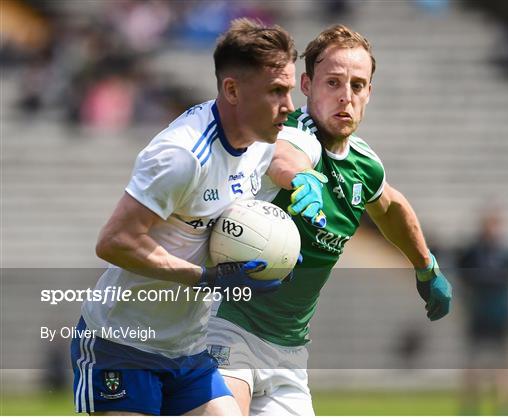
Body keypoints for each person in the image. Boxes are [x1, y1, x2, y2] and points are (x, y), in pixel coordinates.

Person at [70, 18, 326, 416]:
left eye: (289, 91)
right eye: (276, 91)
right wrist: (206, 278)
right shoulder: (182, 156)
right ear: (232, 90)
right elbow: (113, 241)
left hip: (187, 349)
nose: (289, 106)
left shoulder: (258, 144)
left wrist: (298, 194)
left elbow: (287, 153)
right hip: (121, 344)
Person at [207, 24, 453, 416]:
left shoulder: (364, 163)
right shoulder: (291, 130)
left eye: (357, 85)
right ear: (306, 84)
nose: (346, 96)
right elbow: (284, 154)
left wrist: (426, 266)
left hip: (288, 351)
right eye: (333, 82)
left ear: (369, 92)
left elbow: (390, 207)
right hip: (226, 326)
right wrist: (302, 177)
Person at [457, 207, 508, 415]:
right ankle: (470, 405)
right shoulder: (472, 253)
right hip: (478, 314)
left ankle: (506, 405)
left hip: (501, 314)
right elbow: (463, 276)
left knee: (505, 363)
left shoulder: (507, 254)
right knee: (473, 362)